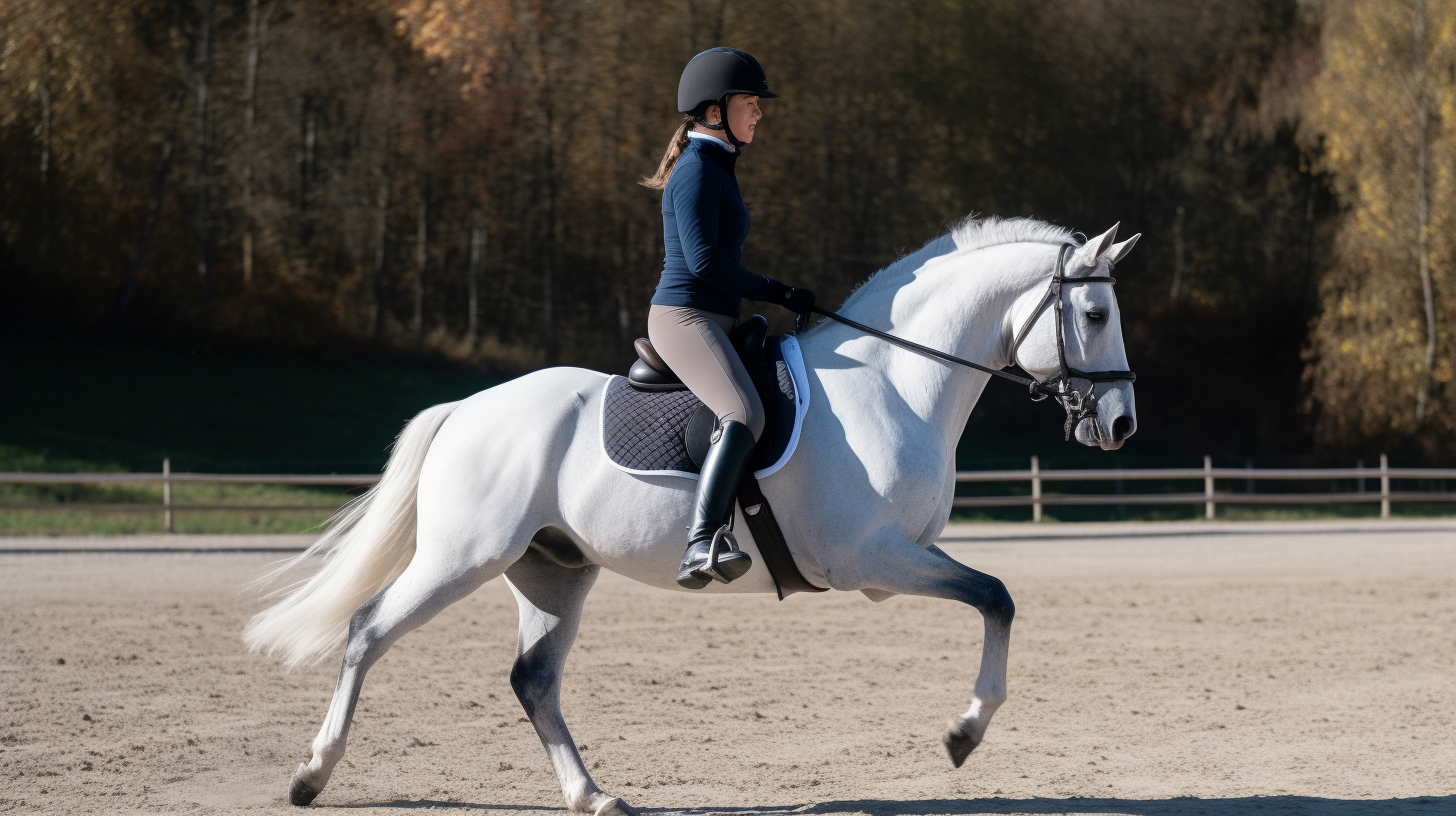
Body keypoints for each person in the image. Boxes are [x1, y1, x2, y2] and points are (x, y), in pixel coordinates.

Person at [639, 47, 815, 590]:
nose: (759, 112)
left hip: (713, 316)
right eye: (750, 102)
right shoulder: (696, 170)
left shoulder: (716, 165)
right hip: (684, 316)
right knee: (743, 411)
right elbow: (705, 264)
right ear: (714, 111)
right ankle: (701, 541)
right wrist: (776, 290)